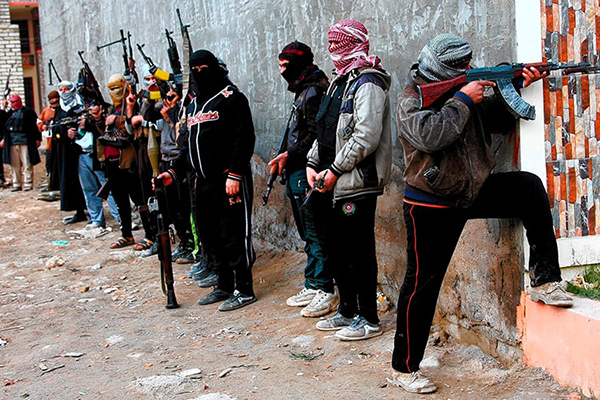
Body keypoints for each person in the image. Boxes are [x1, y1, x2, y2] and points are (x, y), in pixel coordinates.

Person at [388, 33, 573, 394]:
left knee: (528, 188)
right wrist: (462, 99)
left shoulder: (462, 91)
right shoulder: (412, 98)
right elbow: (431, 136)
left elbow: (494, 122)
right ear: (442, 68)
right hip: (430, 201)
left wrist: (514, 85)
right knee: (422, 285)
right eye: (461, 66)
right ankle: (404, 368)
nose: (469, 69)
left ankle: (545, 281)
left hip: (471, 190)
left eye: (469, 64)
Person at [305, 20, 392, 339]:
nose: (331, 50)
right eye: (329, 44)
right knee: (337, 250)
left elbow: (366, 136)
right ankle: (347, 310)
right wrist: (312, 163)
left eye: (337, 43)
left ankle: (369, 318)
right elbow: (325, 130)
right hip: (330, 183)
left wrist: (334, 170)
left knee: (358, 251)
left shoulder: (369, 82)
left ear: (354, 43)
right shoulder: (339, 82)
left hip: (355, 183)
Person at [157, 49, 257, 312]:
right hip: (202, 182)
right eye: (195, 70)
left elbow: (244, 138)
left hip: (228, 180)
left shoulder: (231, 98)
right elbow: (187, 147)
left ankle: (244, 289)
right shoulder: (194, 105)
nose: (200, 74)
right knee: (210, 234)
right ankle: (224, 284)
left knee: (234, 235)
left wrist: (235, 173)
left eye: (204, 68)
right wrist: (173, 173)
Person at [269, 41, 335, 318]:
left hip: (308, 169)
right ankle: (313, 283)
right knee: (307, 233)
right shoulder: (304, 89)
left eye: (285, 65)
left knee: (316, 231)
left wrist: (291, 154)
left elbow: (315, 135)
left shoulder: (314, 91)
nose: (282, 71)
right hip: (297, 168)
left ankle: (325, 288)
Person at [90, 74, 154, 249]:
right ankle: (126, 234)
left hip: (130, 162)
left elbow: (132, 128)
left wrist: (117, 120)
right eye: (111, 88)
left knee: (140, 200)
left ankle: (150, 235)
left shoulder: (133, 105)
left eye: (118, 87)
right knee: (120, 201)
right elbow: (107, 133)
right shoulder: (112, 109)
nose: (115, 91)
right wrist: (99, 120)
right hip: (112, 162)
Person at [138, 64, 195, 261]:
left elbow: (182, 133)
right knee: (173, 208)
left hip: (180, 161)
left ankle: (191, 245)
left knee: (185, 208)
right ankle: (183, 242)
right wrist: (149, 95)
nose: (170, 92)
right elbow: (147, 116)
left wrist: (173, 112)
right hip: (165, 159)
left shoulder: (187, 106)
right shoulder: (166, 103)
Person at [53, 81, 88, 224]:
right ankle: (79, 211)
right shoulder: (60, 109)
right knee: (70, 180)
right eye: (61, 89)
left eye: (66, 89)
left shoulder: (79, 106)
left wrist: (77, 131)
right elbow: (55, 128)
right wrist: (64, 133)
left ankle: (91, 210)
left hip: (80, 149)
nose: (63, 92)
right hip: (65, 151)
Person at [0, 95, 41, 192]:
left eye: (16, 101)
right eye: (12, 102)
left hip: (25, 142)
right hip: (12, 142)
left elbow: (34, 126)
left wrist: (37, 138)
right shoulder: (9, 114)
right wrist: (3, 107)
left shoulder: (28, 112)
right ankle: (16, 183)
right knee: (14, 165)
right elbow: (2, 122)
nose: (14, 104)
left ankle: (28, 183)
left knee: (27, 163)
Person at [37, 90, 60, 191]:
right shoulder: (46, 111)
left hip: (60, 141)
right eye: (52, 100)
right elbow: (39, 121)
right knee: (49, 164)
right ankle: (51, 182)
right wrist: (42, 126)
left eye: (56, 100)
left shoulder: (62, 110)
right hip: (50, 142)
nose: (54, 101)